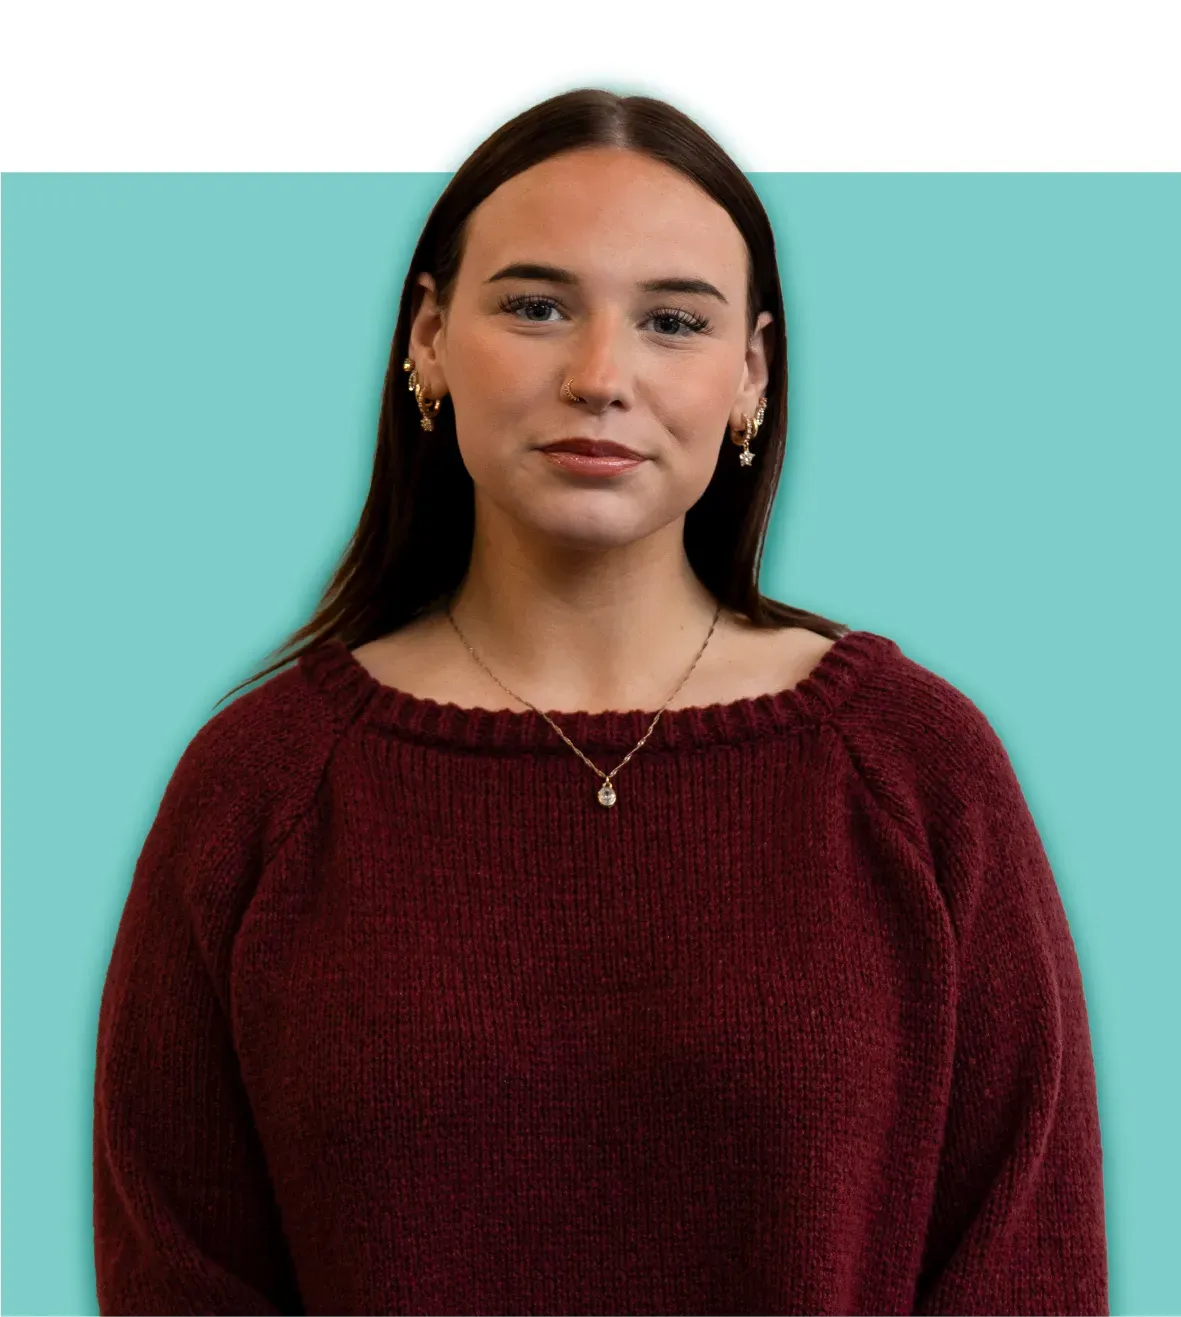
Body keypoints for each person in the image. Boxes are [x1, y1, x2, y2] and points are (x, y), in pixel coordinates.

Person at [91, 88, 1108, 1316]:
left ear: (750, 374)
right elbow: (174, 1275)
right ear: (426, 339)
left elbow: (1024, 1264)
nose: (599, 375)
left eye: (673, 320)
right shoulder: (257, 789)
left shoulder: (914, 769)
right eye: (534, 306)